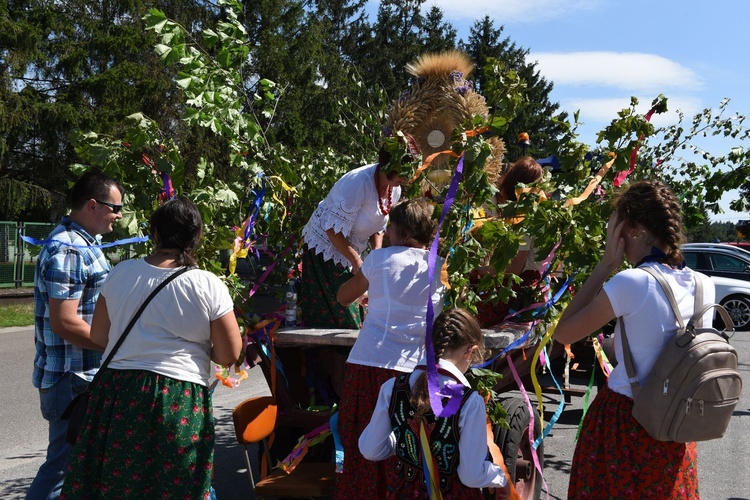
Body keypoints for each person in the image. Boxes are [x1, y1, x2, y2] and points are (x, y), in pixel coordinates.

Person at [60, 196, 242, 499]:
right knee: (175, 486)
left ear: (154, 233)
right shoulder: (208, 284)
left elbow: (100, 336)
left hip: (118, 394)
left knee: (116, 485)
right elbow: (228, 355)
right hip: (177, 398)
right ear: (195, 238)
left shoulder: (120, 273)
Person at [554, 180, 712, 498]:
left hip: (624, 425)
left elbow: (563, 333)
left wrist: (606, 265)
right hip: (674, 427)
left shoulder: (633, 282)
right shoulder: (704, 284)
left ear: (630, 228)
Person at [333, 197, 446, 498]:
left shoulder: (379, 260)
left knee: (365, 447)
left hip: (369, 364)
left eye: (391, 227)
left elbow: (344, 296)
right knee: (408, 451)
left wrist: (365, 291)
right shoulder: (442, 268)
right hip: (414, 372)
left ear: (403, 231)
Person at [27, 170, 123, 500]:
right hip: (72, 378)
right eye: (115, 208)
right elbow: (65, 322)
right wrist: (115, 345)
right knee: (61, 469)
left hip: (80, 375)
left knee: (76, 468)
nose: (119, 215)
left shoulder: (82, 242)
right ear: (93, 205)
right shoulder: (69, 250)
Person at [358, 308, 509, 499]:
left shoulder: (392, 388)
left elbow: (370, 449)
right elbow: (471, 475)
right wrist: (499, 477)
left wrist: (403, 440)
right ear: (470, 351)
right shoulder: (469, 401)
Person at [475, 157, 545, 327]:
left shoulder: (524, 217)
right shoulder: (505, 205)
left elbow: (515, 268)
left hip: (519, 286)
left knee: (473, 317)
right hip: (507, 278)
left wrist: (477, 271)